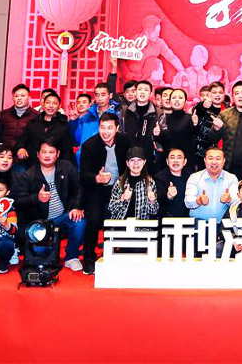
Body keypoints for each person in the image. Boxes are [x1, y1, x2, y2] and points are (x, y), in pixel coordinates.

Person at [12, 136, 86, 272]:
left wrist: (76, 207)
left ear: (58, 154)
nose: (47, 155)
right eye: (44, 152)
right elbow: (18, 201)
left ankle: (71, 257)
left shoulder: (67, 167)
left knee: (79, 221)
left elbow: (79, 188)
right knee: (41, 257)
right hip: (40, 224)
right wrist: (37, 198)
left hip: (63, 217)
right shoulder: (28, 175)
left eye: (51, 152)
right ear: (38, 154)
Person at [78, 113, 128, 275]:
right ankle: (89, 258)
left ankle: (117, 252)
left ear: (117, 128)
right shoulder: (89, 145)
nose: (105, 132)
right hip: (97, 188)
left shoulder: (125, 141)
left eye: (110, 128)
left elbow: (134, 164)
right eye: (102, 127)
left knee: (123, 215)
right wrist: (96, 178)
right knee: (93, 218)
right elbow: (83, 174)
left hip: (120, 188)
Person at [18, 93, 73, 166]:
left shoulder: (64, 125)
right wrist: (21, 148)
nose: (51, 105)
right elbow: (22, 141)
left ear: (59, 106)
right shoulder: (32, 123)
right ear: (43, 104)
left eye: (54, 103)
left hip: (56, 166)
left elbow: (67, 151)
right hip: (32, 165)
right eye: (48, 102)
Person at [184, 147, 238, 221]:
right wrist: (199, 201)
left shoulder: (231, 178)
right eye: (210, 158)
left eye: (218, 159)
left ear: (224, 161)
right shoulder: (194, 177)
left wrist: (229, 199)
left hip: (224, 224)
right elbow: (188, 201)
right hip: (198, 224)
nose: (214, 162)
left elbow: (237, 202)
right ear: (205, 160)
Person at [107, 147, 159, 221]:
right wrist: (122, 198)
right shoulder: (120, 182)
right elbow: (111, 208)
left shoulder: (150, 182)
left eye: (139, 160)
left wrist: (152, 201)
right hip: (120, 225)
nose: (136, 163)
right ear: (127, 163)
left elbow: (154, 211)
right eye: (132, 160)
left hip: (141, 226)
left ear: (144, 162)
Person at [71, 83, 120, 159]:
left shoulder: (117, 116)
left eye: (103, 95)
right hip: (86, 158)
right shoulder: (86, 117)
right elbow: (77, 138)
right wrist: (74, 122)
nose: (99, 98)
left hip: (108, 158)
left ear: (110, 95)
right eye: (97, 95)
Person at [119, 80, 161, 168]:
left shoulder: (158, 112)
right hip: (129, 155)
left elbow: (163, 139)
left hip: (149, 156)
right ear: (135, 92)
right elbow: (121, 132)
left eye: (146, 90)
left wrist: (159, 134)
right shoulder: (125, 111)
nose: (142, 92)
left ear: (150, 94)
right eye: (139, 89)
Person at [157, 88, 197, 167]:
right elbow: (161, 142)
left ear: (185, 102)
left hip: (186, 161)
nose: (177, 100)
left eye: (180, 98)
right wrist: (157, 135)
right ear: (170, 101)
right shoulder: (163, 119)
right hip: (167, 161)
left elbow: (195, 138)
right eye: (174, 98)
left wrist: (195, 125)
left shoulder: (190, 118)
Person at [0, 84, 38, 152]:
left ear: (29, 97)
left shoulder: (36, 115)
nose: (19, 98)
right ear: (13, 98)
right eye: (16, 96)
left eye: (22, 96)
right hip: (6, 153)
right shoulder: (4, 114)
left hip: (26, 154)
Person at [155, 148, 190, 219]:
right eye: (172, 158)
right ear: (167, 161)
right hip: (166, 220)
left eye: (179, 158)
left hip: (187, 219)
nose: (175, 161)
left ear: (184, 162)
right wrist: (168, 197)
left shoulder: (191, 177)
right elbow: (157, 203)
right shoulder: (159, 178)